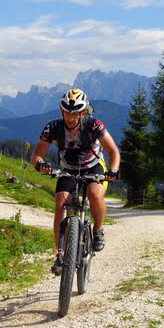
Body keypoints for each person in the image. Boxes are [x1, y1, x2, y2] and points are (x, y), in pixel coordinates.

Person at [31, 88, 120, 275]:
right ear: (61, 111)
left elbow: (113, 152)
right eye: (66, 112)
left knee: (95, 196)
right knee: (61, 205)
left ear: (83, 112)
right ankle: (60, 254)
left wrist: (112, 170)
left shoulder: (94, 125)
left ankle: (98, 229)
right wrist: (41, 165)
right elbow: (37, 155)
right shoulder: (53, 128)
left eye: (75, 113)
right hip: (67, 169)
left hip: (94, 166)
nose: (70, 117)